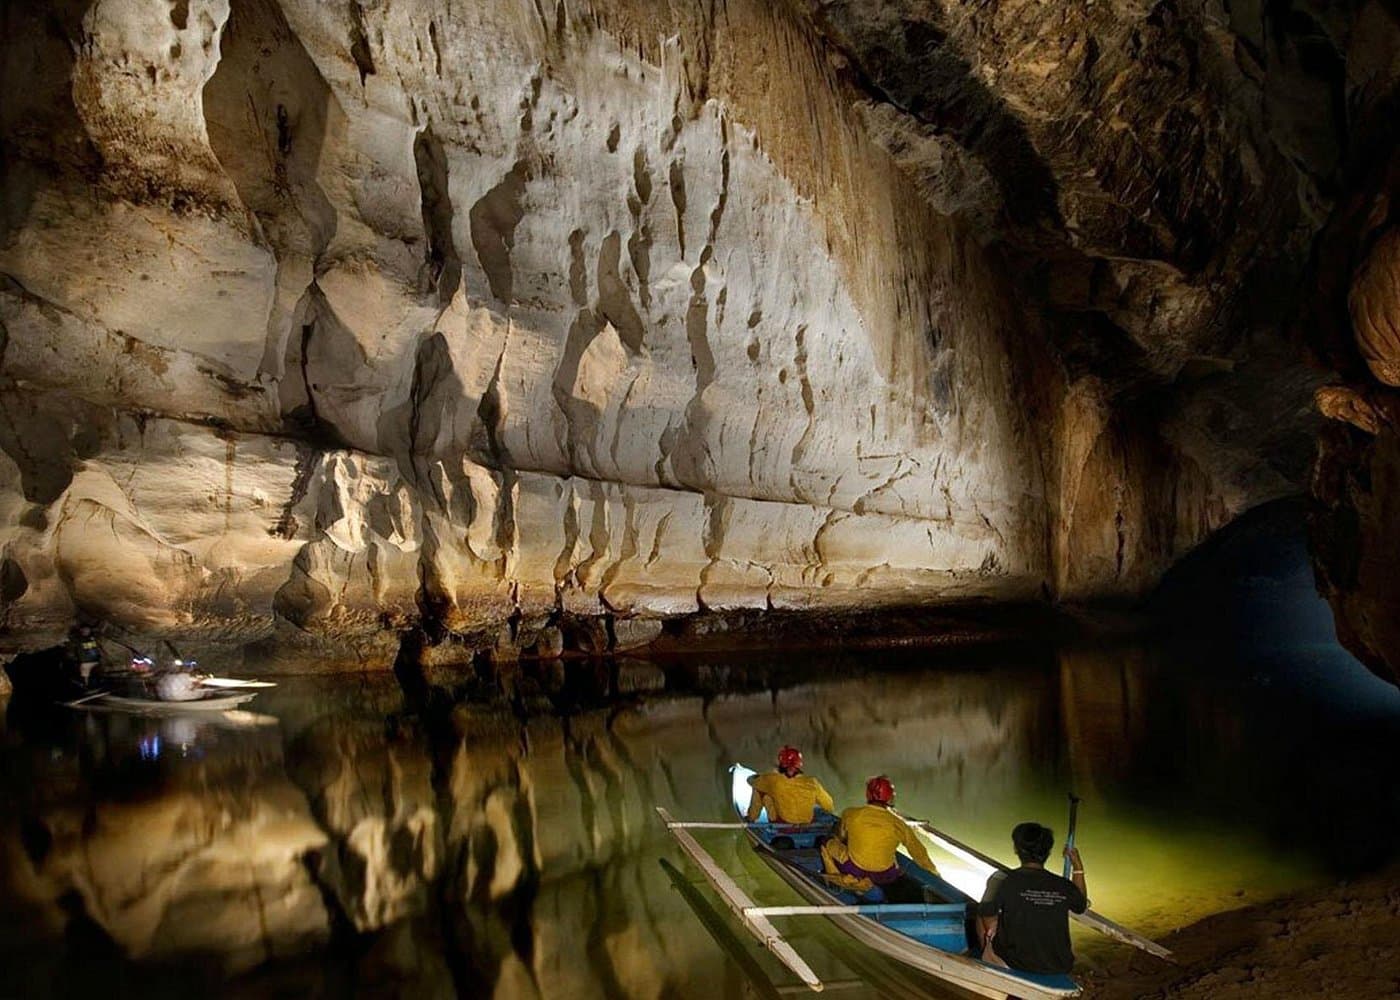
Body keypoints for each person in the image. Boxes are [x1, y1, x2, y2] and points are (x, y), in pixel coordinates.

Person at [977, 822, 1088, 975]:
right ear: (1048, 852)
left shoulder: (1001, 879)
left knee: (981, 913)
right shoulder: (1062, 884)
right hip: (1060, 964)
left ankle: (990, 963)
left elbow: (986, 912)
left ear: (1017, 849)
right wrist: (1078, 867)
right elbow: (1081, 905)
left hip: (1016, 963)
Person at [820, 774, 939, 890]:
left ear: (867, 794)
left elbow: (841, 836)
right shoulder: (898, 823)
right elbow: (918, 851)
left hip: (853, 869)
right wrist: (934, 872)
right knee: (891, 854)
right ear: (889, 797)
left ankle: (837, 878)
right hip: (885, 875)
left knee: (825, 842)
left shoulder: (851, 813)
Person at [745, 746, 835, 824]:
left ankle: (751, 818)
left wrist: (765, 777)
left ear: (781, 764)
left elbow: (752, 782)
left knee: (761, 791)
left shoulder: (772, 780)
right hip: (806, 824)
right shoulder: (812, 782)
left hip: (782, 826)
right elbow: (829, 805)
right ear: (799, 765)